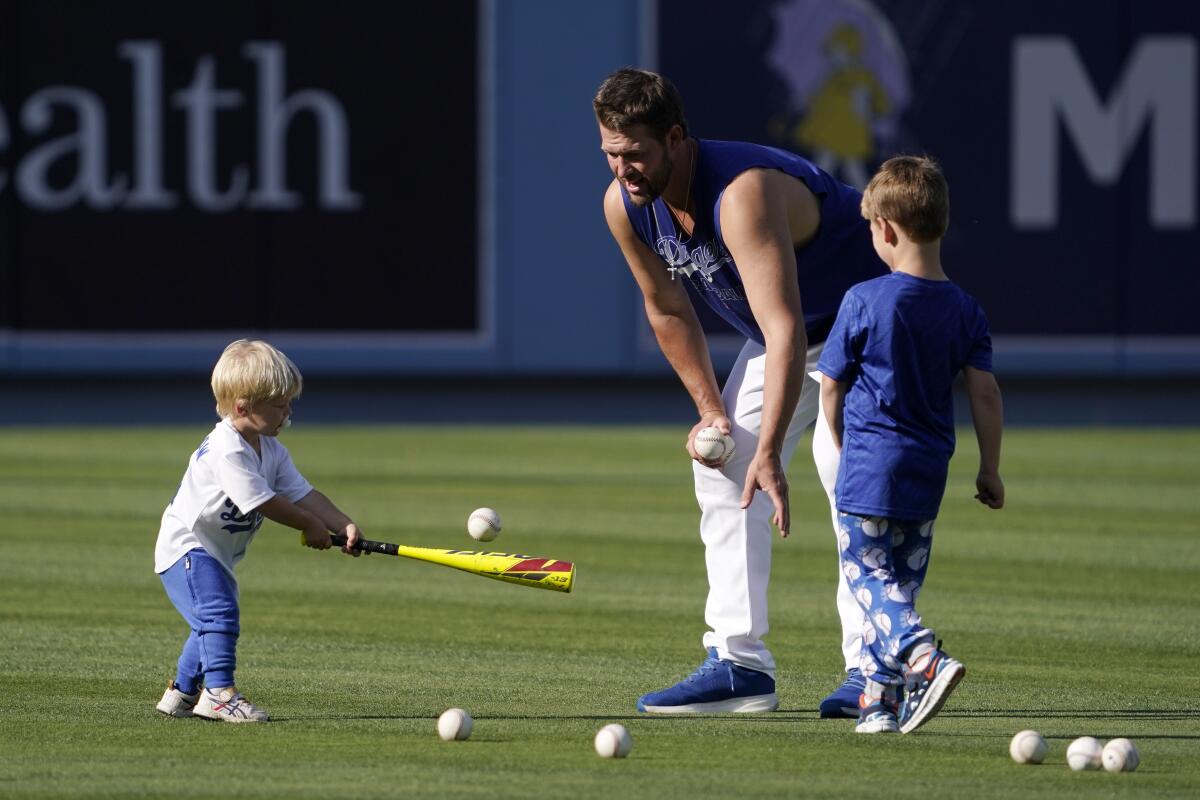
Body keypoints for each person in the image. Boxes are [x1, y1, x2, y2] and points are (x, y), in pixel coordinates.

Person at [593, 67, 886, 714]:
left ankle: (876, 670)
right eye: (612, 153)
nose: (624, 169)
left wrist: (771, 450)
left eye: (636, 153)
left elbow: (781, 329)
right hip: (790, 335)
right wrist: (712, 415)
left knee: (848, 478)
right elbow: (667, 309)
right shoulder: (627, 207)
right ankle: (739, 664)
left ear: (675, 138)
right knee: (722, 468)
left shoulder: (741, 193)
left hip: (867, 326)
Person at [815, 155, 1005, 734]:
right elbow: (986, 395)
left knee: (868, 579)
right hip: (929, 470)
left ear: (887, 230)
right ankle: (879, 704)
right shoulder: (966, 310)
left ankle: (923, 654)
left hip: (871, 466)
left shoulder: (864, 299)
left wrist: (844, 446)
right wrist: (989, 470)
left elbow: (829, 389)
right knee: (900, 578)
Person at [153, 339, 363, 722]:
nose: (288, 413)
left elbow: (303, 493)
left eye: (288, 404)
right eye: (280, 406)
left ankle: (183, 693)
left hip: (213, 551)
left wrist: (341, 523)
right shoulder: (226, 450)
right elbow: (262, 501)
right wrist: (310, 526)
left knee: (209, 621)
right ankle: (218, 693)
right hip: (187, 547)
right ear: (243, 407)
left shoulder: (271, 449)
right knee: (218, 615)